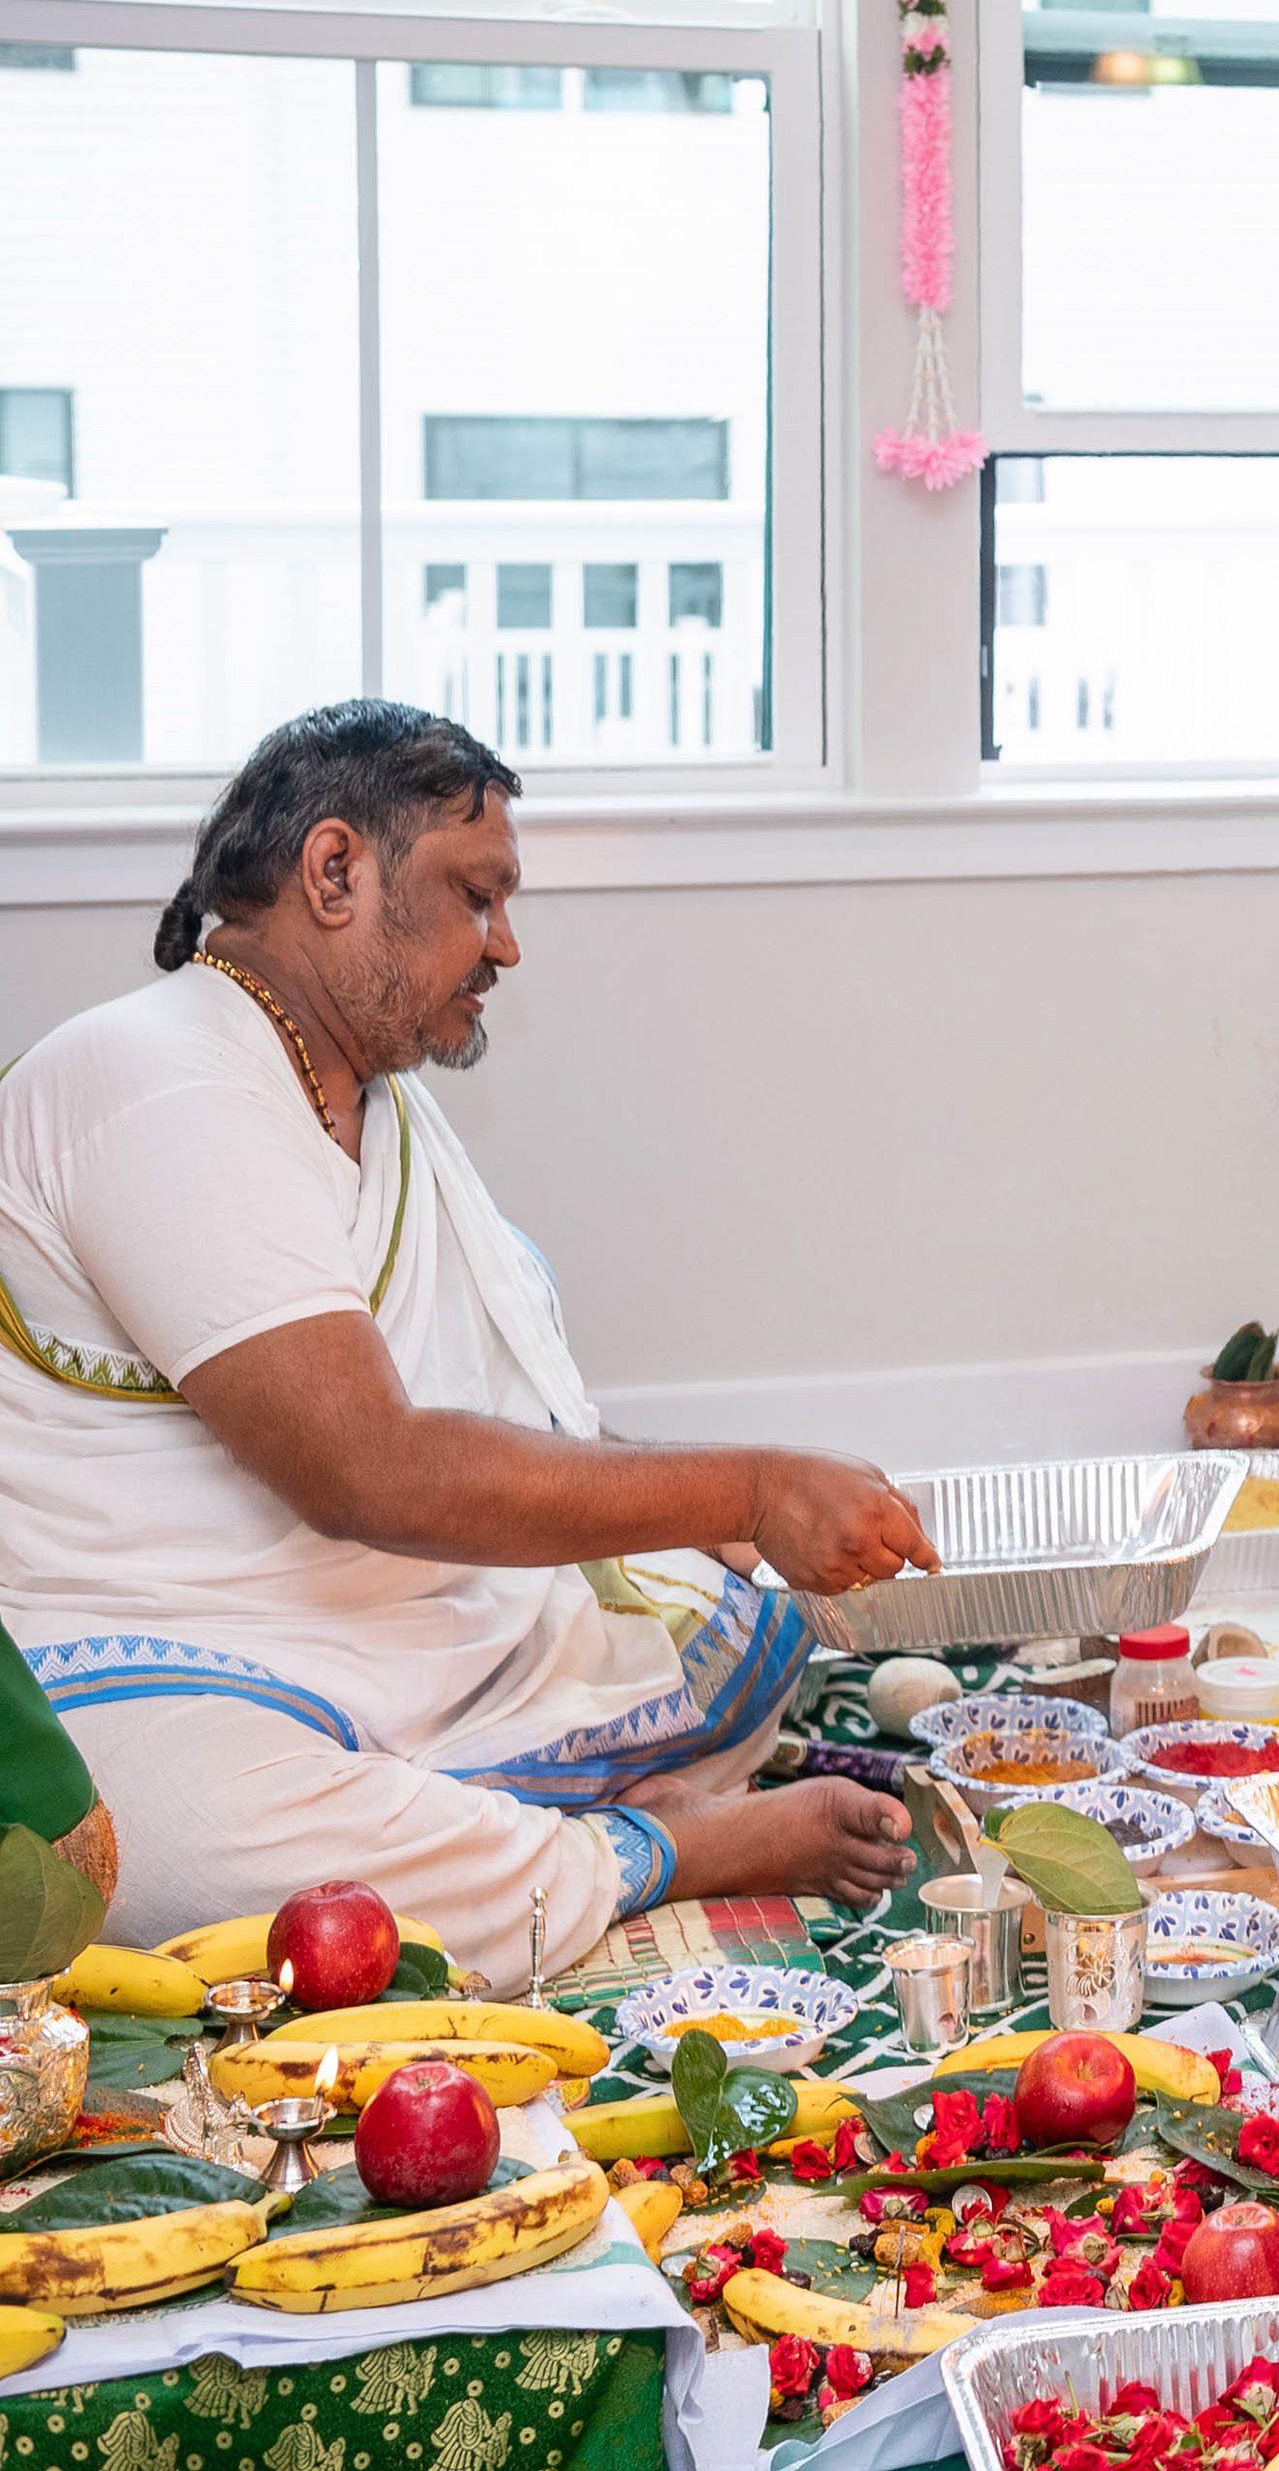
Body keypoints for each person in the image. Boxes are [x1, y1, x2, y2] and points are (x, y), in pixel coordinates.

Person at [0, 702, 937, 1996]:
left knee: (734, 1627)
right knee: (177, 1851)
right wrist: (751, 1489)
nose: (506, 943)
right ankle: (655, 1847)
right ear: (335, 872)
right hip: (167, 1655)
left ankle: (526, 1822)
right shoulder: (155, 1075)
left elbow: (517, 1418)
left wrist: (731, 1525)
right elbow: (366, 1469)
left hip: (401, 1616)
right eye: (477, 896)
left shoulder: (370, 1101)